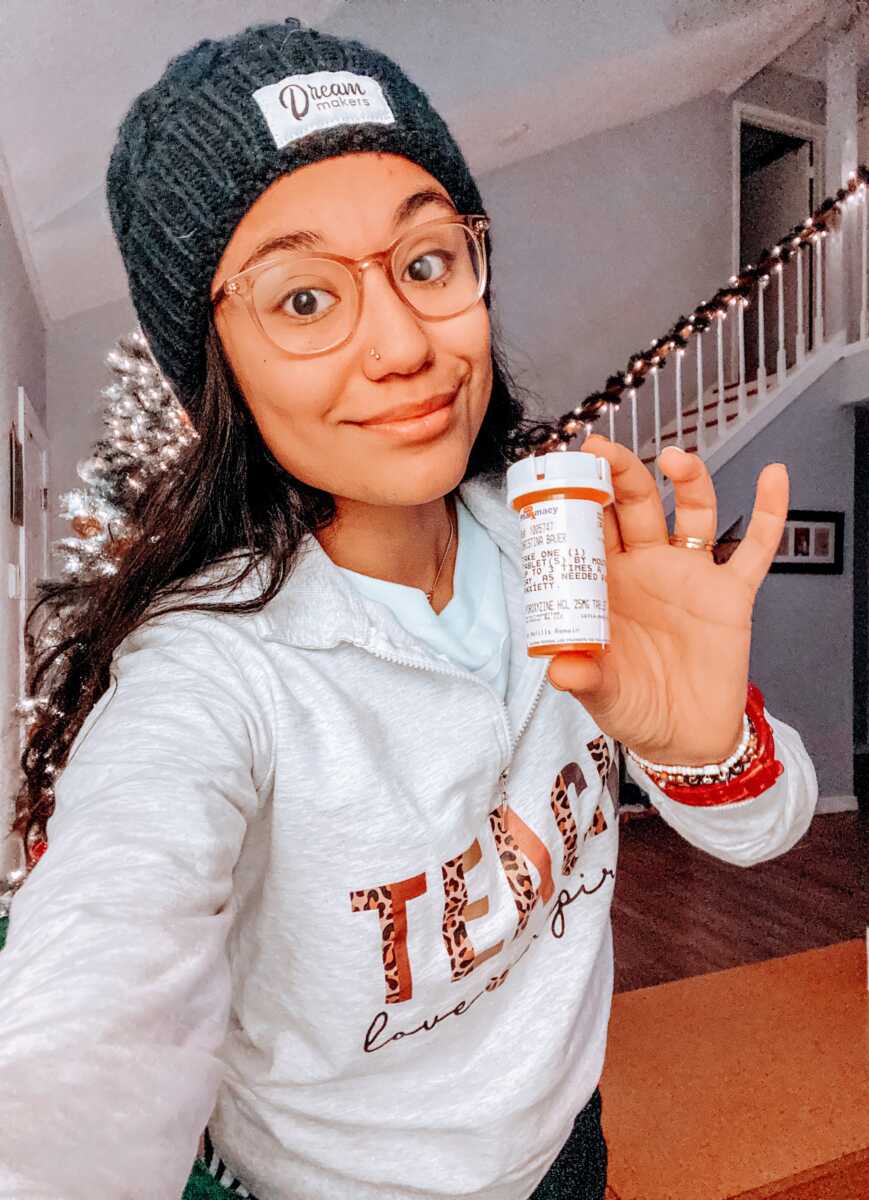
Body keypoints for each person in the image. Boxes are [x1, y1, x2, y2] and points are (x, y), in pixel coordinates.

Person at [0, 19, 819, 1200]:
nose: (402, 346)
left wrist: (704, 748)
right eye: (302, 301)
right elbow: (92, 1000)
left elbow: (773, 827)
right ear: (215, 366)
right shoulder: (208, 670)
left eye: (427, 263)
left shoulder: (561, 551)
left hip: (570, 1155)